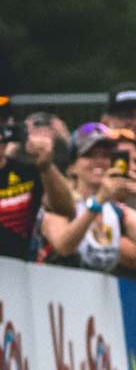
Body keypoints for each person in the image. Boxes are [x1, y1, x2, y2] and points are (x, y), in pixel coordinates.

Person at [49, 125, 136, 274]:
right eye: (89, 155)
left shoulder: (118, 211)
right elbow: (63, 248)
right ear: (72, 167)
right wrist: (98, 202)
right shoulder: (59, 203)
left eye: (106, 155)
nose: (99, 161)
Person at [0, 97, 78, 262]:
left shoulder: (27, 170)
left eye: (2, 123)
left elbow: (66, 210)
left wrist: (46, 167)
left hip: (16, 276)